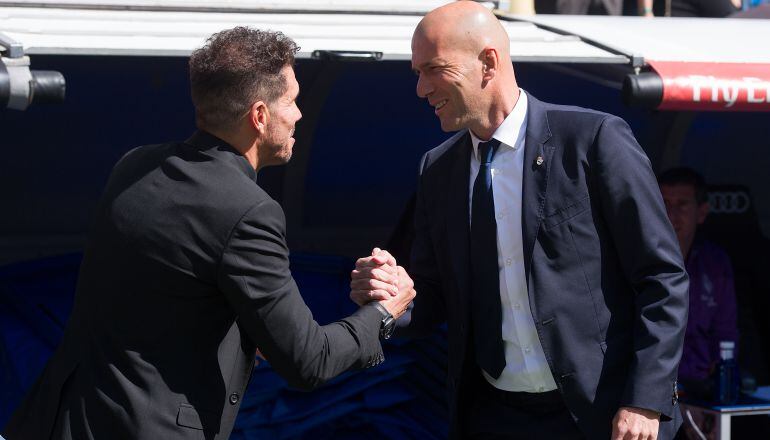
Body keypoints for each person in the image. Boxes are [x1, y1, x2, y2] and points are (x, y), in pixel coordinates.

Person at [2, 27, 414, 440]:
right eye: (291, 101)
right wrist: (383, 313)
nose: (300, 115)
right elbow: (309, 362)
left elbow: (171, 298)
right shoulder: (249, 211)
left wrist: (257, 337)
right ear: (259, 116)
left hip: (61, 419)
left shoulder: (134, 166)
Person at [351, 2, 689, 439]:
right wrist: (392, 299)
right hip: (493, 417)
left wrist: (644, 400)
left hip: (601, 416)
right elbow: (435, 298)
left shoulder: (593, 140)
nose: (420, 89)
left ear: (488, 62)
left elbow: (662, 278)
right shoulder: (437, 170)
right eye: (417, 72)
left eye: (433, 69)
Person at [658, 168, 738, 394]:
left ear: (701, 212)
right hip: (653, 393)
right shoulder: (634, 260)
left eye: (681, 204)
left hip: (703, 389)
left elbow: (726, 336)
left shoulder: (715, 263)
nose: (671, 214)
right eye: (664, 203)